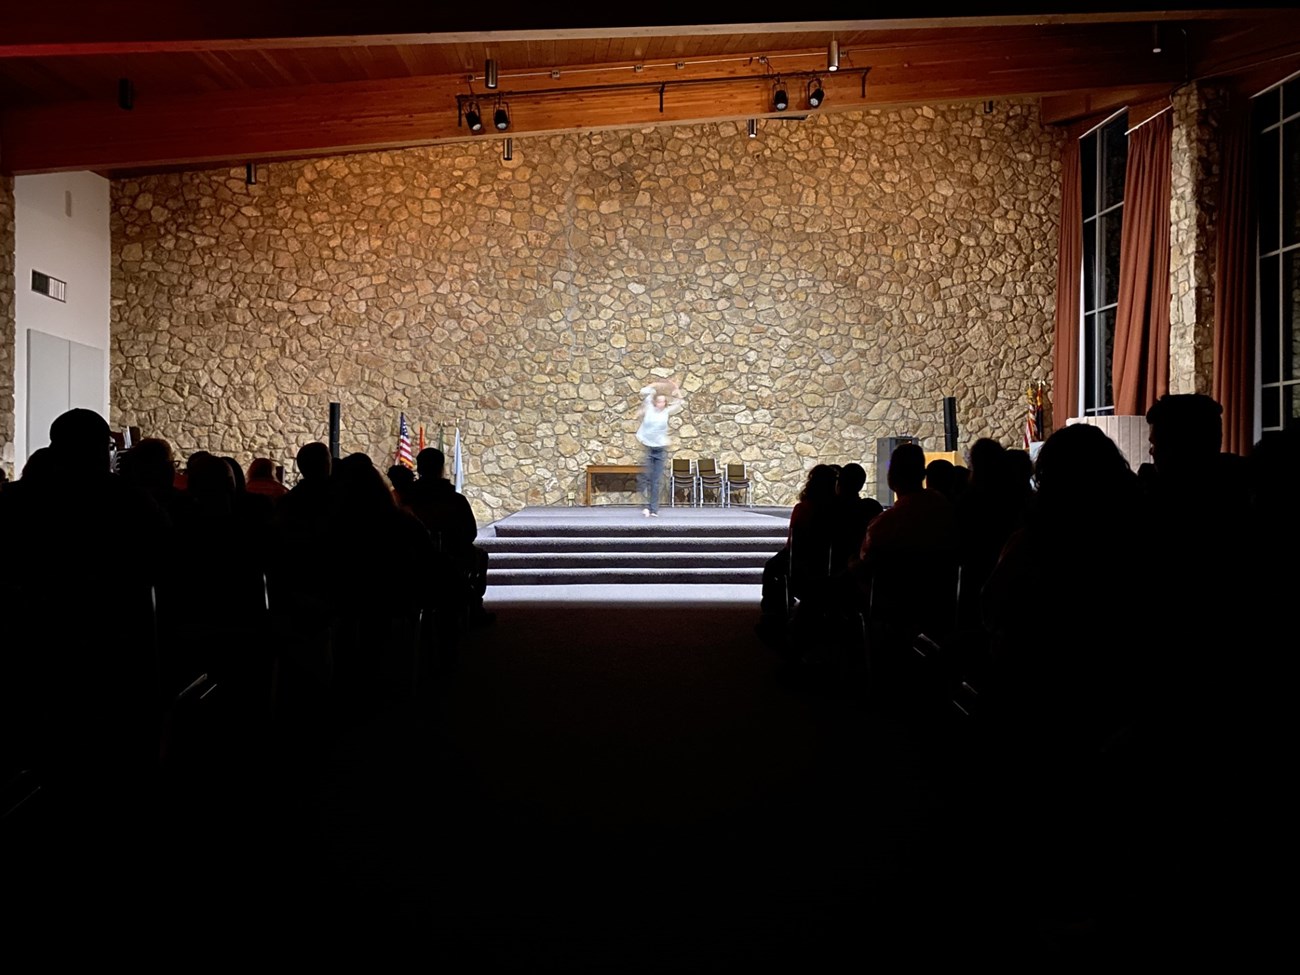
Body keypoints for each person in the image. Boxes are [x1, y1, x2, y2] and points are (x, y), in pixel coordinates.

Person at [635, 377, 685, 517]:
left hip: (660, 449)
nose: (661, 404)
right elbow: (644, 390)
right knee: (645, 478)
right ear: (655, 402)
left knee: (656, 481)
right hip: (649, 448)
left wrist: (676, 388)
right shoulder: (649, 407)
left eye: (663, 402)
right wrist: (659, 384)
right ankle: (645, 505)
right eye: (659, 401)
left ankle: (654, 509)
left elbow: (680, 402)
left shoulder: (666, 412)